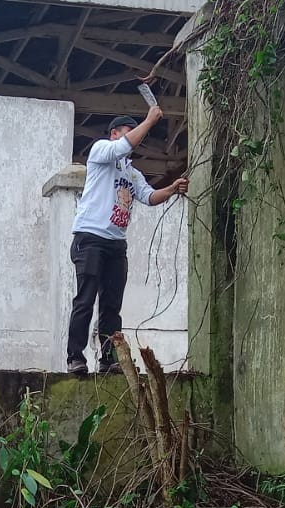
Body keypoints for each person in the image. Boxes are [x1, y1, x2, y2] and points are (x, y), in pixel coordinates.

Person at [66, 107, 189, 375]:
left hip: (115, 243)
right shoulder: (101, 151)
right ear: (114, 134)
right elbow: (125, 145)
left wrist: (171, 189)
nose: (137, 137)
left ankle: (109, 359)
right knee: (85, 300)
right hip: (91, 237)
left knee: (112, 306)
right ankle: (75, 357)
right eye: (129, 132)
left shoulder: (133, 174)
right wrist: (149, 120)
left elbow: (149, 197)